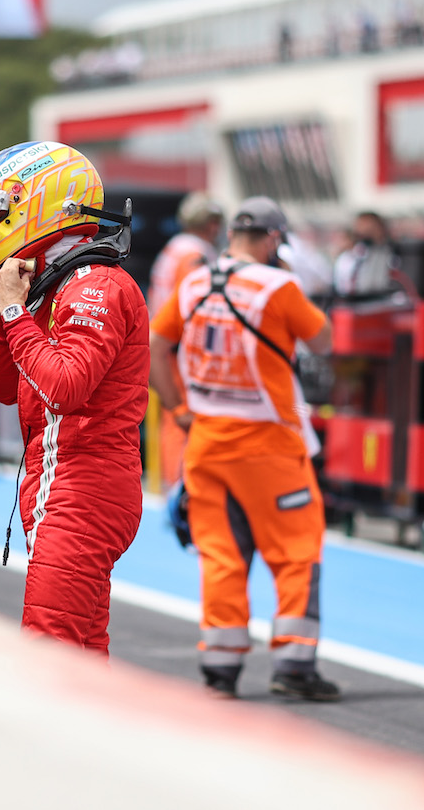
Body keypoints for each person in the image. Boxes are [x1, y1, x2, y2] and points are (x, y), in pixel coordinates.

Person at [0, 140, 150, 656]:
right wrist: (11, 309)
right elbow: (5, 388)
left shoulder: (97, 285)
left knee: (49, 656)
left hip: (83, 487)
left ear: (41, 208)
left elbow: (65, 389)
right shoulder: (56, 283)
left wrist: (16, 314)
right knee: (82, 654)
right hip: (62, 483)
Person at [149, 195, 339, 701]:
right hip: (270, 444)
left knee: (221, 555)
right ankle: (295, 666)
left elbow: (155, 347)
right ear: (273, 239)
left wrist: (179, 409)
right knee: (296, 553)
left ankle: (221, 668)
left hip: (206, 440)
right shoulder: (279, 285)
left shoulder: (192, 284)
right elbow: (323, 341)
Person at [147, 191, 223, 492]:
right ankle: (182, 490)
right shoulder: (196, 255)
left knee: (172, 416)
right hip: (179, 349)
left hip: (164, 344)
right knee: (185, 418)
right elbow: (199, 305)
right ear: (211, 225)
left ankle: (173, 487)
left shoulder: (173, 249)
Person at [332, 210, 395, 297]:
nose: (360, 231)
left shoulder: (391, 255)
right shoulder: (351, 256)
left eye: (368, 229)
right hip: (351, 303)